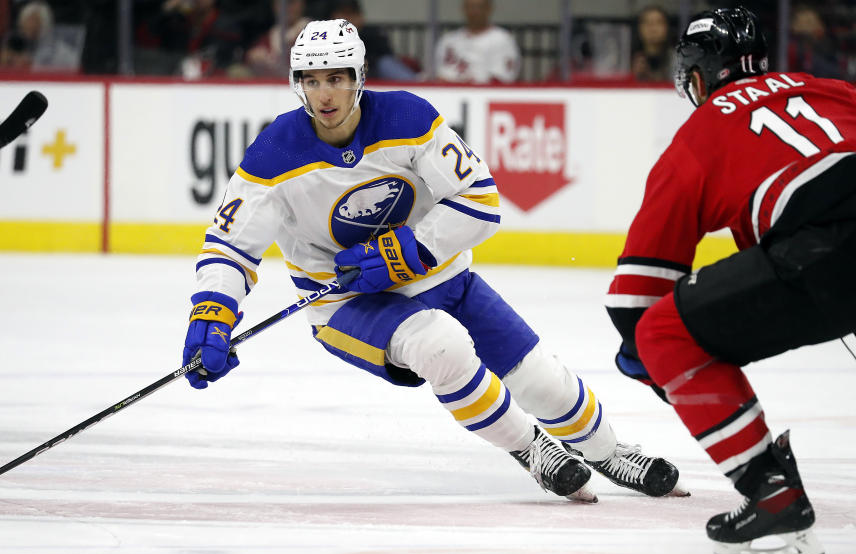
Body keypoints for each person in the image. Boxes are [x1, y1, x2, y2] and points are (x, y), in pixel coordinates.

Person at [182, 18, 688, 505]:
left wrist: (407, 251)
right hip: (347, 303)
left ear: (358, 78)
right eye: (312, 81)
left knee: (543, 381)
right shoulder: (274, 155)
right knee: (441, 348)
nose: (326, 94)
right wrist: (211, 313)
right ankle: (530, 448)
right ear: (298, 86)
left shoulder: (407, 118)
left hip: (440, 277)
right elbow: (231, 246)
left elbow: (481, 200)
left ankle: (609, 451)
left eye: (336, 78)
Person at [605, 6, 856, 554]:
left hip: (828, 249)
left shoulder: (701, 131)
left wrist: (644, 354)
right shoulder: (832, 88)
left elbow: (635, 294)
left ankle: (775, 505)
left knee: (664, 332)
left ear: (696, 77)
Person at [433, 0, 520, 84]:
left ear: (489, 9)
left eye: (479, 7)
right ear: (463, 9)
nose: (474, 12)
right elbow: (439, 75)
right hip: (450, 95)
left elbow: (502, 79)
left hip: (483, 95)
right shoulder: (448, 40)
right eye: (470, 7)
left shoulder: (503, 39)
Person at [329, 0, 418, 81]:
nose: (348, 19)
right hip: (342, 71)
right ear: (334, 17)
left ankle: (415, 85)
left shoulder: (373, 33)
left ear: (361, 16)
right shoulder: (329, 36)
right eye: (344, 14)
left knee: (386, 63)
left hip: (371, 69)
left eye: (352, 14)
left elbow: (386, 54)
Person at [631, 5, 673, 82]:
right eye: (647, 23)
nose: (653, 28)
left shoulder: (678, 59)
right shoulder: (627, 59)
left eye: (659, 22)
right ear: (638, 28)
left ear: (667, 27)